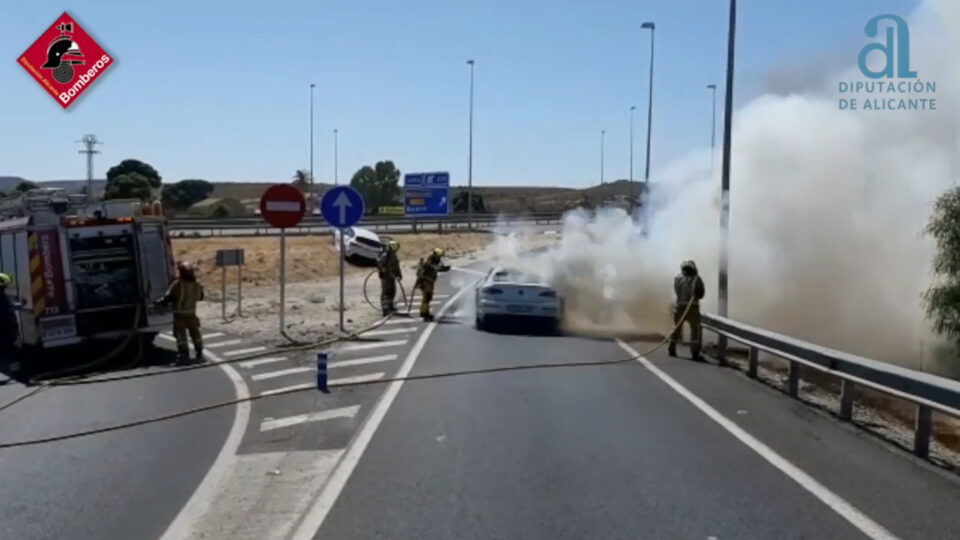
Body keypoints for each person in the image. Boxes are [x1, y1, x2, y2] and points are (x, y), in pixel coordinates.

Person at [158, 261, 205, 365]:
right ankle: (199, 354)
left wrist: (161, 302)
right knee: (195, 334)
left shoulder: (178, 284)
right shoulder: (197, 284)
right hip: (191, 313)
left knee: (180, 336)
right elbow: (201, 297)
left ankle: (184, 355)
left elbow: (170, 296)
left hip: (179, 314)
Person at [669, 260, 705, 361]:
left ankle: (671, 348)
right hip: (692, 308)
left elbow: (677, 291)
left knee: (676, 328)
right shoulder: (697, 279)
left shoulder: (677, 278)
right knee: (695, 330)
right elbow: (701, 294)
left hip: (679, 307)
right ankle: (695, 353)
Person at [415, 248, 449, 322]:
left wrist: (444, 268)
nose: (439, 258)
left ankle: (425, 313)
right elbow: (433, 267)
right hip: (425, 281)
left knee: (428, 297)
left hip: (429, 281)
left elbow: (437, 268)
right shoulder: (429, 260)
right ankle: (424, 314)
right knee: (426, 297)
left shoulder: (435, 260)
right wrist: (442, 268)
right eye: (439, 256)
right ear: (435, 255)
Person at [377, 240, 402, 316]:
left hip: (391, 277)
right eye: (396, 248)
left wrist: (399, 275)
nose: (397, 250)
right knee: (386, 293)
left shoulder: (393, 255)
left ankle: (390, 307)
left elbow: (396, 266)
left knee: (392, 291)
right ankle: (385, 310)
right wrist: (383, 269)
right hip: (386, 277)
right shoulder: (385, 255)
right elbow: (380, 264)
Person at [0, 273, 19, 363]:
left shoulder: (5, 299)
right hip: (7, 333)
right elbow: (11, 318)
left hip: (6, 334)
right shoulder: (5, 299)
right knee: (10, 356)